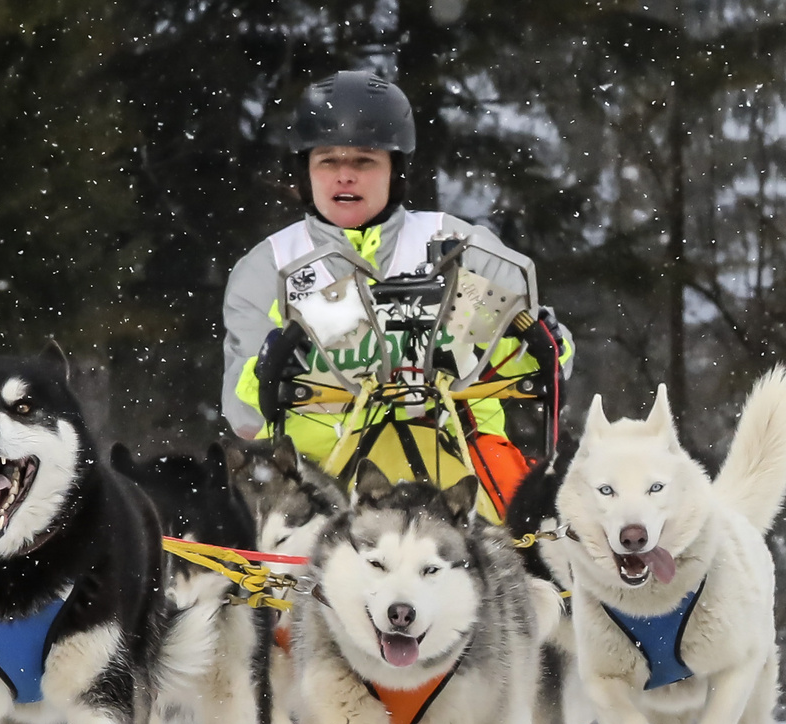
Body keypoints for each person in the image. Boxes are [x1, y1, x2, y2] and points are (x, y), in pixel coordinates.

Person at [220, 70, 572, 508]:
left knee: (541, 525)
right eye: (328, 161)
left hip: (461, 469)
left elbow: (543, 363)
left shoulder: (460, 249)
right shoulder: (270, 268)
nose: (344, 176)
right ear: (306, 172)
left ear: (395, 171)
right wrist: (278, 367)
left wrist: (541, 341)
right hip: (325, 481)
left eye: (364, 161)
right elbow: (245, 418)